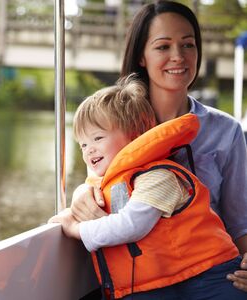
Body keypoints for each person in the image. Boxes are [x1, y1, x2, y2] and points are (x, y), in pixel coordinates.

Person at [69, 0, 247, 292]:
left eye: (188, 45)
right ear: (142, 56)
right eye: (163, 47)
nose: (178, 56)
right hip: (143, 280)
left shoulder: (226, 131)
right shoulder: (115, 125)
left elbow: (239, 222)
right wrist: (79, 194)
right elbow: (100, 183)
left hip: (210, 275)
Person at [49, 75, 244, 299]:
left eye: (98, 138)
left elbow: (131, 226)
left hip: (209, 280)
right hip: (167, 283)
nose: (88, 150)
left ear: (134, 137)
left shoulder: (158, 177)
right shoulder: (112, 181)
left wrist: (74, 228)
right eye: (83, 144)